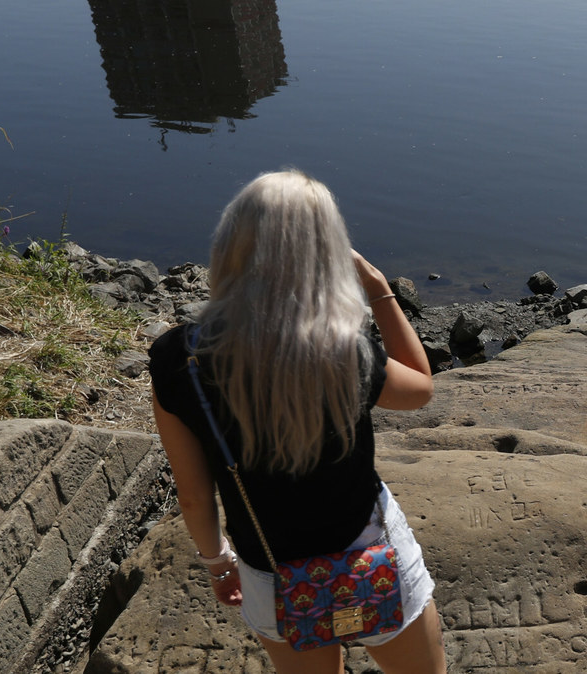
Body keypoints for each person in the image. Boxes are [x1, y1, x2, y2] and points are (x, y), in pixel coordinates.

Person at [147, 170, 447, 673]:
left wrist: (218, 562)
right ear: (326, 256)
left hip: (271, 575)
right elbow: (420, 387)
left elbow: (194, 494)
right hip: (369, 558)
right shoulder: (342, 350)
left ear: (228, 247)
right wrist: (378, 290)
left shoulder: (180, 357)